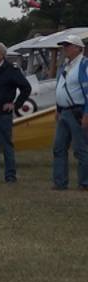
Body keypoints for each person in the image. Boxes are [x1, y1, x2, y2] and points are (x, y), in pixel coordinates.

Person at [0, 41, 32, 183]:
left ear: (2, 55)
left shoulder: (11, 70)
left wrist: (15, 105)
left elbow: (26, 88)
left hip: (2, 114)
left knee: (6, 144)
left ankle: (10, 175)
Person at [52, 34, 88, 190]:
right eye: (64, 46)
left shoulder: (84, 65)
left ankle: (85, 183)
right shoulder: (65, 66)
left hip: (77, 111)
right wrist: (58, 109)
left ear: (78, 48)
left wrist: (87, 114)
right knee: (58, 147)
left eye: (68, 45)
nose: (65, 49)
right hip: (64, 112)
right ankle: (60, 182)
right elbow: (61, 88)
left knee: (81, 149)